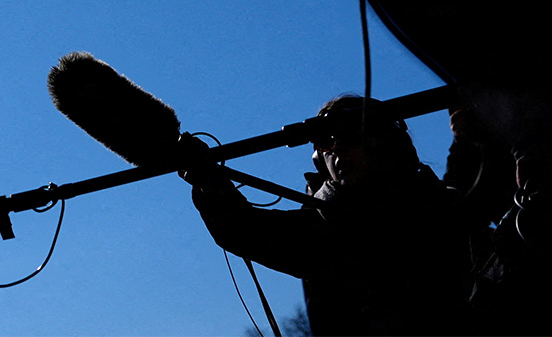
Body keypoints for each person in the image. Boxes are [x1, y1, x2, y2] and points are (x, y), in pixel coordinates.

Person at [182, 95, 473, 336]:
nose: (337, 149)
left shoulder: (440, 207)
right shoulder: (323, 228)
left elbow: (469, 181)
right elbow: (247, 230)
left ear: (385, 142)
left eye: (348, 136)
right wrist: (210, 183)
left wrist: (467, 136)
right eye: (324, 141)